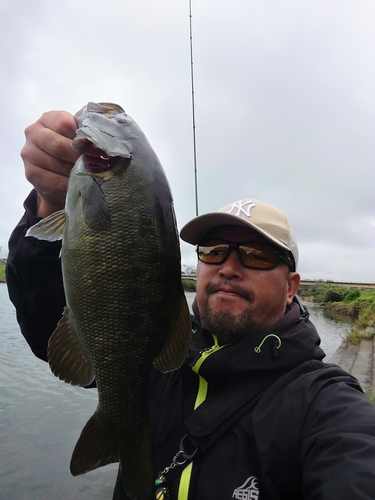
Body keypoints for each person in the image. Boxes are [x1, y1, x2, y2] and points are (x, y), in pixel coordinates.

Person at [6, 110, 375, 500]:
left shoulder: (325, 404)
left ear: (291, 287)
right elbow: (46, 318)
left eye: (257, 256)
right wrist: (47, 203)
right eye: (214, 251)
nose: (229, 267)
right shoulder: (154, 361)